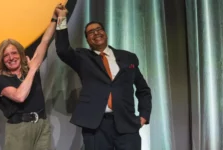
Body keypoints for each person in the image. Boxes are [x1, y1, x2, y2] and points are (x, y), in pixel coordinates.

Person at [55, 7, 152, 150]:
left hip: (126, 124)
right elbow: (63, 50)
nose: (96, 33)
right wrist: (61, 18)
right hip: (96, 126)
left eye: (99, 29)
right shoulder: (83, 57)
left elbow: (143, 90)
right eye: (90, 32)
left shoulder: (128, 57)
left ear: (105, 34)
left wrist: (144, 115)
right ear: (87, 39)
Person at [0, 5, 61, 150]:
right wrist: (33, 69)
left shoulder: (29, 69)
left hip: (41, 125)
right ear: (2, 60)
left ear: (21, 54)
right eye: (6, 55)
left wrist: (54, 18)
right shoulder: (1, 80)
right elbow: (20, 96)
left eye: (14, 53)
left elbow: (45, 42)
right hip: (19, 129)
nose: (11, 58)